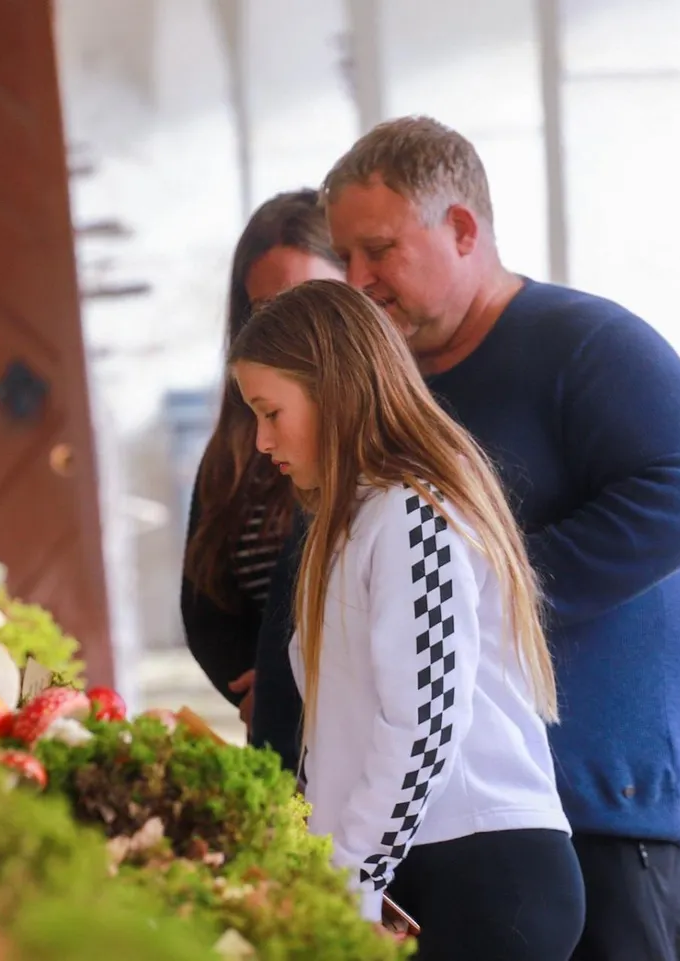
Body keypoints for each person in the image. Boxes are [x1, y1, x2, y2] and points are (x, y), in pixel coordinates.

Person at [320, 116, 680, 961]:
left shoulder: (593, 344)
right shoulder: (394, 390)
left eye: (379, 250)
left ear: (463, 228)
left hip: (607, 806)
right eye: (345, 257)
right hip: (459, 828)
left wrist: (481, 594)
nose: (357, 279)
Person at [231, 278, 584, 960]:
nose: (262, 440)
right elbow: (341, 736)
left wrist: (352, 879)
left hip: (478, 872)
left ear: (334, 390)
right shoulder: (351, 522)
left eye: (271, 412)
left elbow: (423, 723)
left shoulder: (411, 512)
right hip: (412, 867)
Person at [181, 190, 342, 727]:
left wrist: (287, 682)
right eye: (268, 311)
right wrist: (258, 691)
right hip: (275, 731)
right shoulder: (233, 448)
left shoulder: (384, 447)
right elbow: (204, 608)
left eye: (311, 301)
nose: (289, 330)